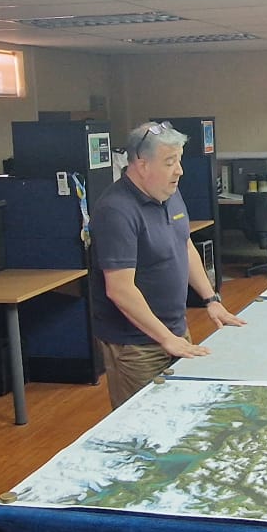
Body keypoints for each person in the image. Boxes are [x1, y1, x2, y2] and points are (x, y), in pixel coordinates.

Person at [93, 121, 246, 408]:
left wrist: (211, 299)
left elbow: (184, 245)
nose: (180, 171)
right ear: (142, 165)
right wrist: (166, 339)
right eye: (169, 162)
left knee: (180, 411)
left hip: (175, 329)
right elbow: (119, 289)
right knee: (142, 423)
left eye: (179, 160)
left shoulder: (170, 193)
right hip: (135, 343)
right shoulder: (116, 210)